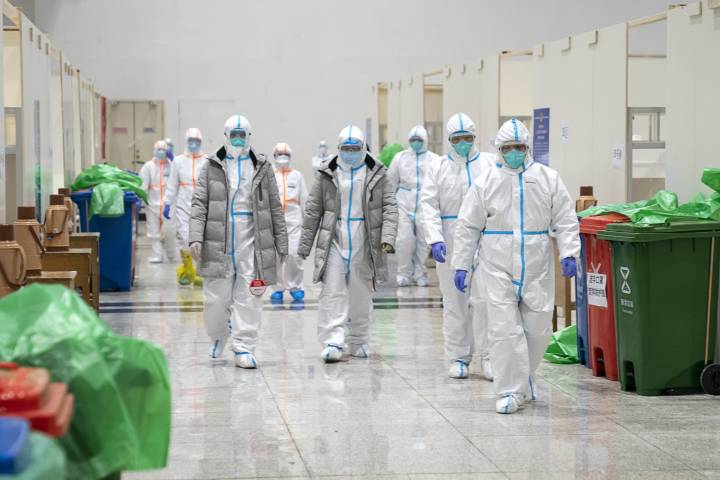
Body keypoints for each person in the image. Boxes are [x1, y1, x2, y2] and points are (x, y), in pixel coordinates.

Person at [452, 118, 580, 414]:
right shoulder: (486, 182)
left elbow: (565, 217)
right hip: (496, 264)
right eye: (508, 147)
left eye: (519, 147)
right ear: (499, 149)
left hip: (537, 263)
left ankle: (525, 377)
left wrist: (569, 252)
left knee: (538, 329)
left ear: (527, 147)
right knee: (504, 330)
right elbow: (468, 226)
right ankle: (510, 390)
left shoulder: (548, 178)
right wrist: (462, 264)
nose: (513, 152)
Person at [189, 114, 288, 368]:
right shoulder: (211, 165)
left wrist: (281, 243)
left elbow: (274, 207)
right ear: (225, 135)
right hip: (217, 238)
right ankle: (218, 335)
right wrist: (195, 236)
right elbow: (199, 203)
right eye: (233, 135)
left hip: (251, 239)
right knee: (215, 299)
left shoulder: (262, 166)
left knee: (249, 296)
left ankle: (244, 346)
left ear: (249, 136)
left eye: (241, 135)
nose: (237, 139)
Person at [298, 125, 397, 363]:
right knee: (332, 291)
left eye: (355, 148)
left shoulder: (377, 173)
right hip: (335, 236)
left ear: (363, 148)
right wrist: (304, 245)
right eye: (346, 148)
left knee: (361, 293)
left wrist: (387, 237)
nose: (350, 153)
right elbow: (313, 209)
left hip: (364, 238)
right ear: (338, 148)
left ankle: (358, 338)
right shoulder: (326, 173)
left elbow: (390, 206)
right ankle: (333, 340)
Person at [420, 113, 495, 380]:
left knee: (485, 301)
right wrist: (435, 238)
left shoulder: (489, 163)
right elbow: (428, 204)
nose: (462, 143)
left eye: (467, 138)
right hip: (450, 240)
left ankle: (489, 357)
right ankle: (459, 357)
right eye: (456, 139)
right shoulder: (438, 167)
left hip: (484, 240)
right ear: (449, 140)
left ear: (475, 137)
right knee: (454, 302)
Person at [386, 125, 438, 287]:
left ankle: (420, 272)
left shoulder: (434, 160)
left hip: (425, 202)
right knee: (404, 240)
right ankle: (403, 273)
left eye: (419, 140)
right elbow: (390, 181)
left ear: (425, 140)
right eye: (413, 140)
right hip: (403, 201)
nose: (416, 143)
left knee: (424, 241)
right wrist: (389, 205)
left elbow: (439, 184)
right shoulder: (400, 158)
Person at [164, 128, 206, 281]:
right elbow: (172, 183)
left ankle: (200, 272)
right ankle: (188, 269)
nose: (193, 144)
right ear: (186, 141)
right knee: (184, 236)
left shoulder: (207, 161)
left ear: (201, 142)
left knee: (201, 239)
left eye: (197, 141)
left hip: (202, 204)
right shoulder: (178, 161)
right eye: (190, 141)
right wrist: (167, 203)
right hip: (183, 203)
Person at [270, 142, 308, 303]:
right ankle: (278, 288)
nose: (282, 157)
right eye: (279, 154)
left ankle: (296, 286)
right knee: (276, 257)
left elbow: (305, 199)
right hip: (275, 221)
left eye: (286, 154)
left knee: (294, 255)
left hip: (294, 221)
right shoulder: (269, 175)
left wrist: (308, 222)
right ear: (274, 156)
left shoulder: (297, 176)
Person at [139, 140, 177, 263]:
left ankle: (171, 254)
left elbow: (178, 178)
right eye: (158, 149)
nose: (161, 152)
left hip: (168, 204)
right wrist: (141, 199)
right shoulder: (148, 166)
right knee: (154, 231)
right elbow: (143, 185)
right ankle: (157, 255)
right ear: (154, 151)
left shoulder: (171, 165)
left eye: (163, 150)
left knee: (169, 231)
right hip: (152, 204)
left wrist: (173, 160)